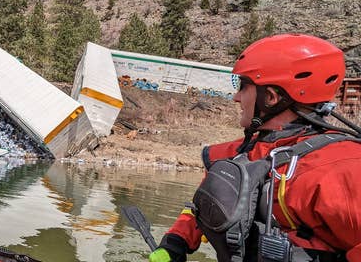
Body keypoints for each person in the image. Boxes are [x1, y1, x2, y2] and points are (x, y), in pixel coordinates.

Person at [149, 34, 361, 262]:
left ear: (270, 97)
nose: (236, 97)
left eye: (242, 86)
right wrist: (175, 243)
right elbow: (201, 207)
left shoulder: (341, 169)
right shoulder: (236, 156)